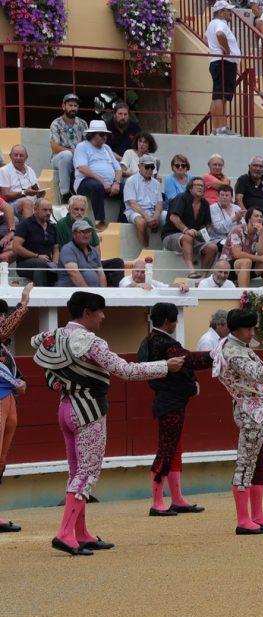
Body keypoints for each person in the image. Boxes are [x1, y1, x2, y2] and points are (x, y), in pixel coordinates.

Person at [32, 292, 184, 555]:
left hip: (66, 408)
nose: (103, 316)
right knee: (86, 474)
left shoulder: (52, 337)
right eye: (100, 311)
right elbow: (125, 370)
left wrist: (67, 384)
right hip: (89, 411)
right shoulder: (92, 343)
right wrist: (164, 367)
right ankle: (65, 534)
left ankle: (81, 532)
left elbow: (50, 376)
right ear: (88, 312)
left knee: (76, 472)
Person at [212, 309, 263, 535]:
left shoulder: (239, 346)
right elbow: (259, 374)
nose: (252, 333)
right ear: (236, 330)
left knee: (260, 460)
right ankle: (243, 519)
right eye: (249, 329)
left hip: (256, 408)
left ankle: (257, 515)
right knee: (246, 461)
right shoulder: (232, 351)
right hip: (248, 410)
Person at [139, 303, 213, 517]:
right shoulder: (165, 343)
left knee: (174, 448)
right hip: (169, 401)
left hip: (169, 400)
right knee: (167, 448)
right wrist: (214, 355)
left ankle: (177, 499)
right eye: (175, 320)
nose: (176, 323)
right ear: (167, 321)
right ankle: (157, 501)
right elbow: (188, 360)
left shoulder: (150, 341)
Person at [0, 284, 31, 533]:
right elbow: (4, 329)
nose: (2, 320)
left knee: (1, 459)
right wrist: (23, 303)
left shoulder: (3, 350)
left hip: (7, 398)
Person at [54, 195, 124, 287]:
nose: (79, 212)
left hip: (90, 260)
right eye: (76, 209)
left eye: (82, 210)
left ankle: (116, 293)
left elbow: (96, 245)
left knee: (117, 262)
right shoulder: (61, 224)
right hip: (74, 261)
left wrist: (96, 263)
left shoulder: (87, 221)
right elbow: (63, 249)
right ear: (69, 209)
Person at [73, 120, 122, 230]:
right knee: (97, 186)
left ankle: (122, 221)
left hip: (109, 185)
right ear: (92, 134)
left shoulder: (107, 148)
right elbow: (83, 168)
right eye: (101, 134)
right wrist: (103, 182)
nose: (105, 137)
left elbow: (118, 169)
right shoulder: (82, 147)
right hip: (85, 183)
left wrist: (117, 182)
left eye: (106, 134)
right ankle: (100, 221)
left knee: (128, 189)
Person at [207, 1, 242, 136]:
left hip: (217, 61)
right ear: (221, 12)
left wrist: (214, 49)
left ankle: (217, 128)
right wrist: (227, 50)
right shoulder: (221, 24)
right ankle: (221, 128)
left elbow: (206, 37)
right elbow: (220, 35)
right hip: (225, 62)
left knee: (217, 95)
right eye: (228, 10)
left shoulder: (212, 23)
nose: (230, 13)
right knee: (222, 96)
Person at [49, 93, 89, 202]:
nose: (73, 108)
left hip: (78, 159)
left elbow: (88, 144)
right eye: (70, 105)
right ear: (63, 106)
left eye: (75, 106)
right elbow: (54, 147)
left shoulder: (83, 123)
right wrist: (73, 152)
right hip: (59, 158)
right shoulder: (56, 123)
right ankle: (65, 194)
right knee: (67, 155)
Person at [13, 198, 58, 287]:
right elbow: (16, 247)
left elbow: (56, 248)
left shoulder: (52, 227)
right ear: (35, 209)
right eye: (45, 210)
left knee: (57, 268)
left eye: (50, 210)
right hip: (24, 264)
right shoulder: (25, 225)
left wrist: (55, 263)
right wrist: (36, 256)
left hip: (46, 263)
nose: (48, 213)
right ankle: (39, 294)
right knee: (41, 264)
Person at [124, 154, 165, 249]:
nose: (150, 170)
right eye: (147, 167)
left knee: (169, 217)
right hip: (134, 211)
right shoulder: (131, 181)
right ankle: (146, 248)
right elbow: (132, 203)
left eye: (152, 167)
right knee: (141, 222)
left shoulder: (156, 183)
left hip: (152, 211)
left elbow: (159, 202)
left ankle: (166, 248)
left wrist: (156, 216)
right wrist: (147, 217)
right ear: (139, 167)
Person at [0, 145, 45, 220]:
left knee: (45, 203)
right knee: (27, 203)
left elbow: (37, 189)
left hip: (33, 201)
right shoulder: (4, 171)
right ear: (10, 156)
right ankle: (28, 230)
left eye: (21, 155)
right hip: (12, 205)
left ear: (26, 157)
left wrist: (39, 194)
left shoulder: (30, 170)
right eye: (15, 155)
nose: (18, 158)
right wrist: (24, 193)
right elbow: (5, 195)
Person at [57, 220, 106, 287]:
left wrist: (103, 293)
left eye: (88, 232)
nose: (86, 235)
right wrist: (87, 293)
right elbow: (73, 273)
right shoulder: (68, 249)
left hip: (93, 294)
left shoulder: (94, 251)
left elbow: (101, 274)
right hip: (73, 294)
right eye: (82, 232)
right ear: (74, 234)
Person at [234, 156, 263, 222]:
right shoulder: (242, 180)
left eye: (261, 166)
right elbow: (238, 199)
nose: (258, 168)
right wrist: (247, 214)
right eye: (255, 166)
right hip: (247, 214)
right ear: (249, 167)